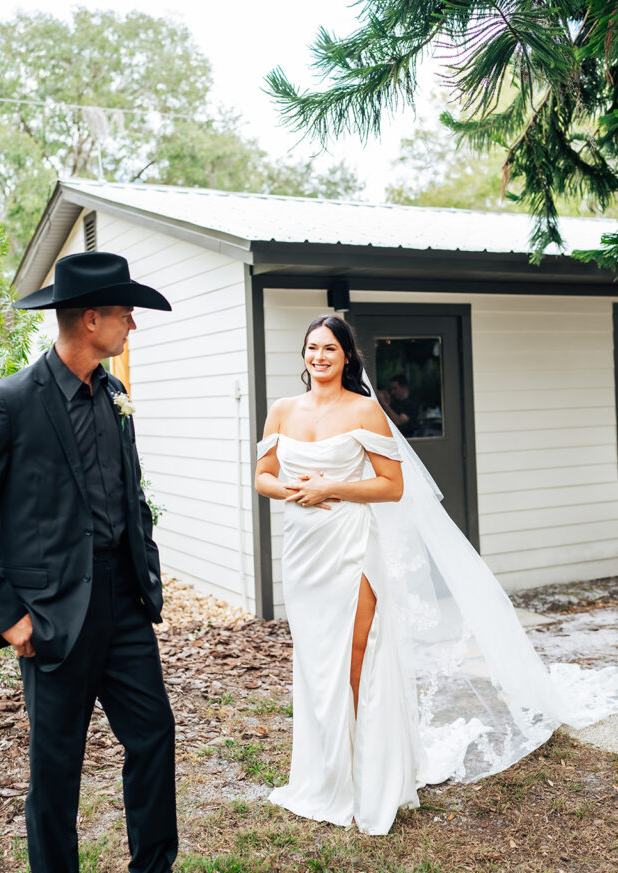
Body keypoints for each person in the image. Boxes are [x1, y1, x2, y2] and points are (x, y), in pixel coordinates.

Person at [255, 314, 618, 835]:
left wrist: (331, 488)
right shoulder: (282, 410)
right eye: (312, 348)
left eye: (330, 349)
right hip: (303, 550)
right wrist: (297, 492)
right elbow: (263, 476)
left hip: (353, 546)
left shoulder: (365, 412)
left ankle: (365, 777)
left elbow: (391, 486)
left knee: (353, 658)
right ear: (304, 354)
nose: (319, 357)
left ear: (347, 356)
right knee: (315, 659)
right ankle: (322, 772)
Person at [0, 252, 180, 873]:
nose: (134, 323)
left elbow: (128, 497)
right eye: (126, 312)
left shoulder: (115, 394)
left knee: (153, 736)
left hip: (123, 605)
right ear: (91, 318)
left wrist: (144, 576)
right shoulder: (10, 402)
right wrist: (11, 618)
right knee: (56, 770)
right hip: (50, 618)